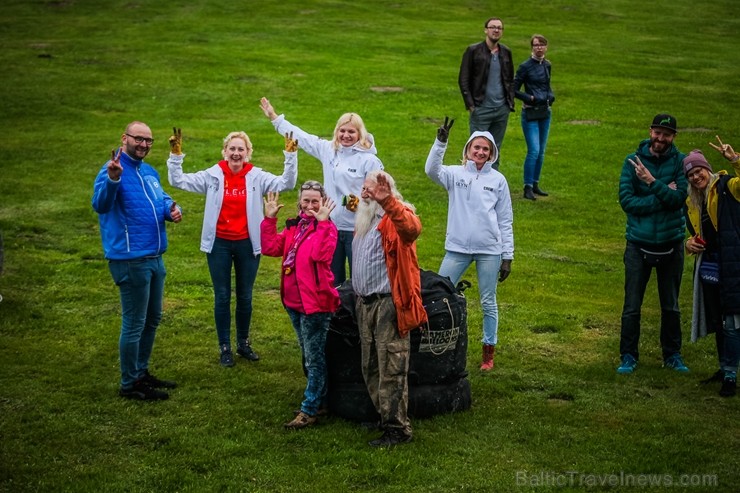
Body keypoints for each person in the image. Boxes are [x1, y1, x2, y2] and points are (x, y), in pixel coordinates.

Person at [167, 128, 298, 367]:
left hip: (248, 244)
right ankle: (224, 347)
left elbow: (287, 183)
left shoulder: (256, 176)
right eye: (232, 149)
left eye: (241, 149)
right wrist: (176, 156)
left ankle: (243, 344)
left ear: (248, 153)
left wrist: (291, 156)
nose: (236, 153)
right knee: (222, 296)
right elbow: (178, 180)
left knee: (245, 296)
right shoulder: (213, 175)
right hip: (219, 244)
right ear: (224, 152)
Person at [92, 121, 182, 400]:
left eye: (148, 141)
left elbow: (161, 198)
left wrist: (171, 208)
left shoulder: (149, 172)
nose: (144, 144)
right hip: (131, 260)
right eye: (138, 139)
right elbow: (101, 204)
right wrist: (113, 179)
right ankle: (129, 383)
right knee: (134, 322)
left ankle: (141, 372)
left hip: (154, 258)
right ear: (125, 138)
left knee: (152, 318)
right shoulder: (112, 170)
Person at [260, 97, 384, 286]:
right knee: (332, 279)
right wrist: (275, 118)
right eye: (342, 131)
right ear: (336, 132)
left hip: (359, 229)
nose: (346, 135)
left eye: (351, 131)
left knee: (360, 280)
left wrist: (355, 204)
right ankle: (334, 315)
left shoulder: (370, 161)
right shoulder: (329, 150)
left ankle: (359, 315)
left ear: (360, 134)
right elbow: (301, 137)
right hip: (330, 227)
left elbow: (379, 197)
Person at [425, 118, 514, 371]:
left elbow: (505, 219)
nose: (481, 152)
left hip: (489, 250)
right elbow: (431, 170)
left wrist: (507, 256)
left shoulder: (498, 180)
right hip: (457, 248)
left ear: (492, 153)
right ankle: (437, 343)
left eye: (486, 149)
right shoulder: (454, 174)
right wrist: (440, 142)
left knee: (488, 301)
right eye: (476, 147)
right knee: (438, 294)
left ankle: (488, 352)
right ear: (468, 150)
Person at [351, 170, 426, 447]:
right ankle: (385, 417)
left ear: (387, 191)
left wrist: (388, 202)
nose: (366, 193)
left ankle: (398, 429)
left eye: (373, 189)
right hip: (365, 304)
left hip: (388, 305)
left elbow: (413, 229)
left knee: (391, 368)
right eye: (365, 188)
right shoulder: (365, 217)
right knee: (370, 365)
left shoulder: (396, 216)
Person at [260, 182, 340, 427]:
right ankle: (321, 401)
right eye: (306, 201)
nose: (310, 206)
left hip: (315, 305)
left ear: (324, 202)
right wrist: (269, 221)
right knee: (308, 355)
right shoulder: (295, 227)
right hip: (294, 303)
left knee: (313, 360)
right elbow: (271, 248)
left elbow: (320, 255)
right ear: (299, 202)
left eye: (315, 201)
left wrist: (324, 223)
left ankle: (309, 410)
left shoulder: (327, 229)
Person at [617, 114, 688, 374]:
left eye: (666, 134)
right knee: (632, 305)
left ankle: (673, 355)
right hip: (638, 244)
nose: (660, 138)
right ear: (650, 131)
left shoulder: (681, 162)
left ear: (673, 137)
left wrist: (650, 183)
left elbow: (679, 198)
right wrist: (662, 192)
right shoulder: (631, 162)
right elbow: (627, 202)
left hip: (672, 243)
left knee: (671, 305)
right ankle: (628, 356)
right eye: (657, 132)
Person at [684, 138, 740, 397]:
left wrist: (735, 160)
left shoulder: (728, 186)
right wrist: (689, 243)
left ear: (708, 169)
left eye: (699, 171)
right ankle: (722, 368)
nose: (696, 177)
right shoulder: (692, 203)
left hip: (733, 263)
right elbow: (696, 234)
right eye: (692, 174)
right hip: (710, 266)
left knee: (732, 321)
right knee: (719, 320)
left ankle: (730, 375)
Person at [458, 17, 515, 170]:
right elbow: (463, 79)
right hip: (481, 108)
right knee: (476, 149)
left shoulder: (506, 52)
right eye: (492, 27)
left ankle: (492, 186)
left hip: (501, 109)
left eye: (499, 28)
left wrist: (508, 103)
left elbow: (509, 79)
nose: (496, 30)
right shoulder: (473, 51)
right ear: (486, 30)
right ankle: (471, 183)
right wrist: (471, 105)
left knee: (495, 149)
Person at [514, 34, 555, 200]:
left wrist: (550, 95)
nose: (539, 48)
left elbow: (547, 84)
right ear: (532, 47)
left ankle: (536, 183)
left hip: (545, 111)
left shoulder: (547, 65)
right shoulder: (525, 66)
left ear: (546, 47)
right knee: (534, 150)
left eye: (542, 45)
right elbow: (514, 89)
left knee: (542, 151)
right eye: (536, 45)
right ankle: (527, 186)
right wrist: (529, 98)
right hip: (530, 112)